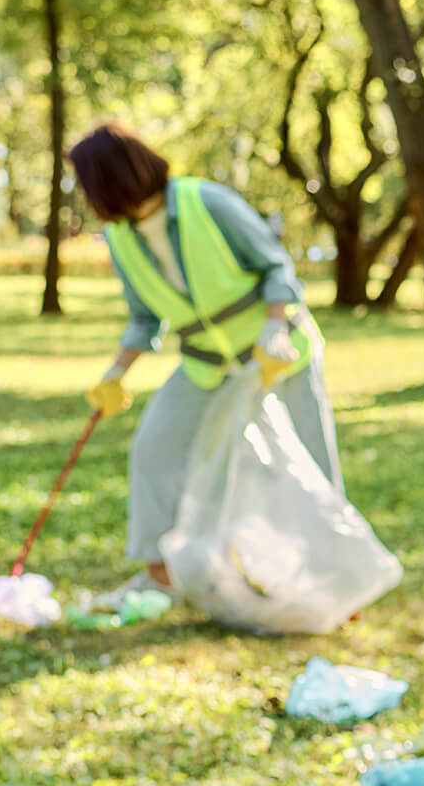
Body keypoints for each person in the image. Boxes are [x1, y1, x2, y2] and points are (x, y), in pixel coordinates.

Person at [68, 122, 343, 603]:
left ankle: (328, 571)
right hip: (205, 362)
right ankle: (160, 576)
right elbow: (144, 317)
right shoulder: (121, 240)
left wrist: (274, 326)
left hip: (277, 352)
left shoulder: (207, 203)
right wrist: (116, 372)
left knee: (309, 457)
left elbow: (275, 265)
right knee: (153, 448)